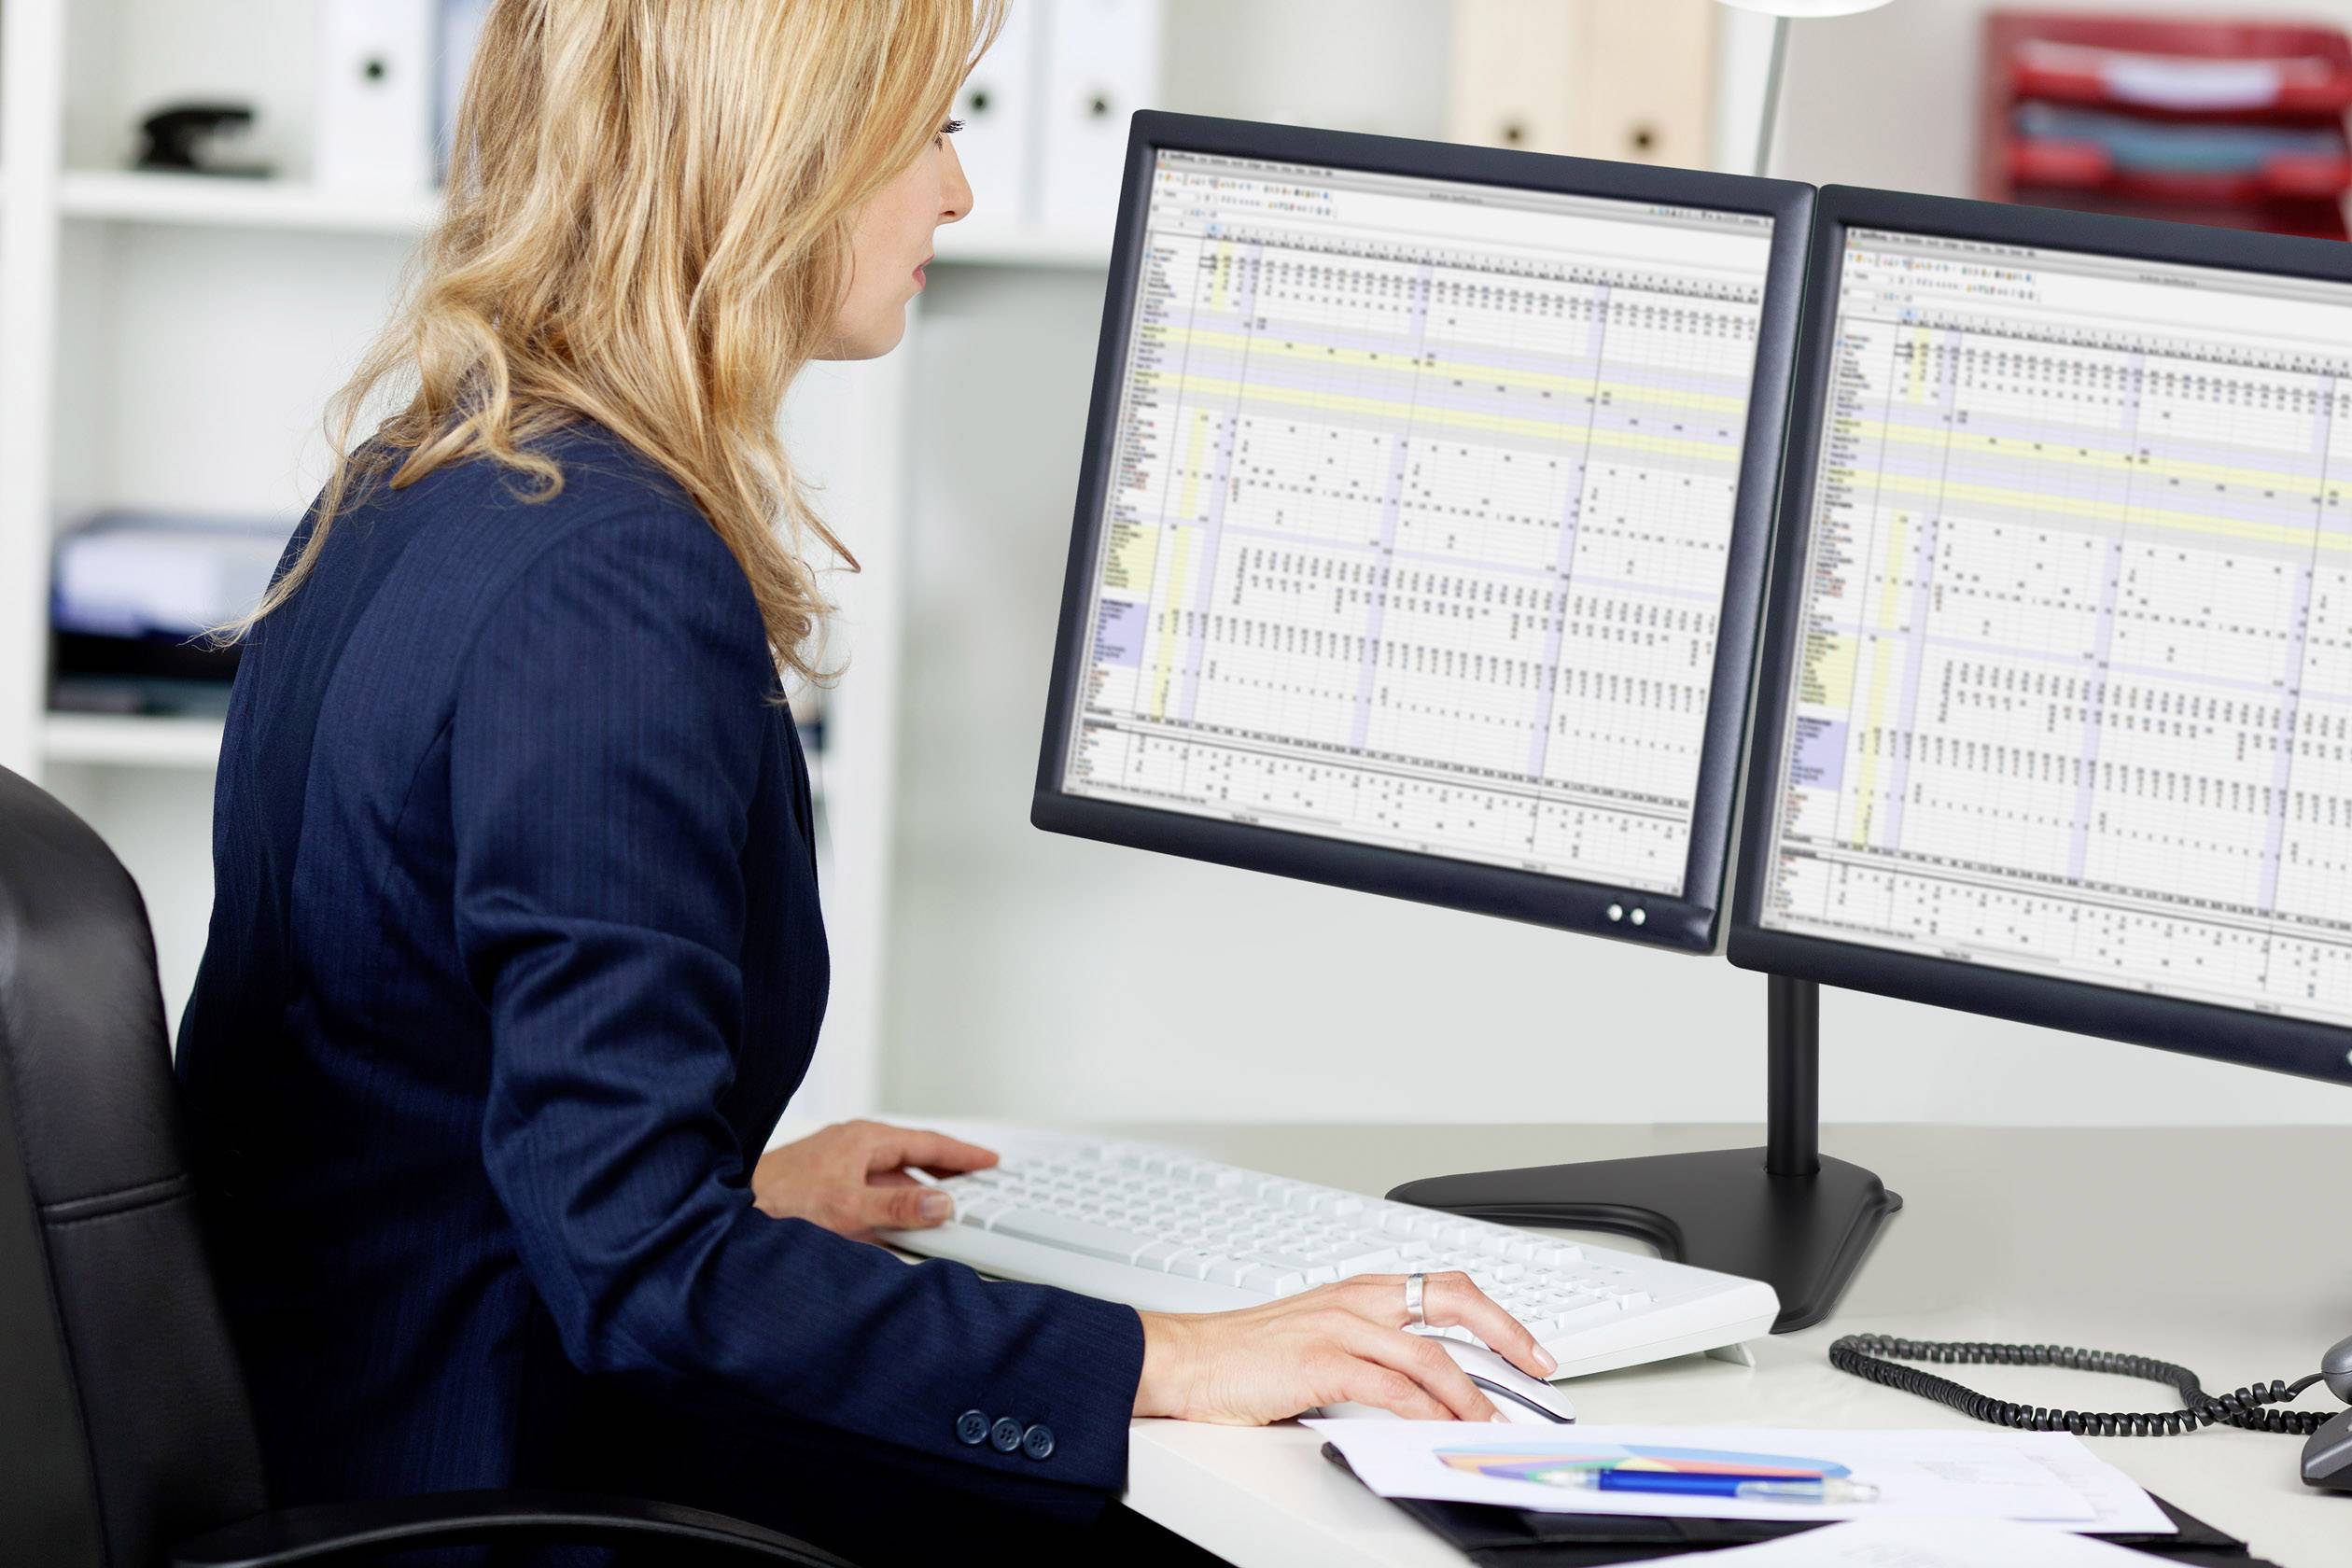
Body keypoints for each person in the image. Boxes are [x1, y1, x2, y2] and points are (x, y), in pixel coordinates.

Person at [175, 2, 1554, 1560]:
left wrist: (734, 1198)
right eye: (930, 132)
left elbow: (385, 1096)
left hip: (362, 1430)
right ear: (777, 164)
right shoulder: (610, 581)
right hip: (500, 1489)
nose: (956, 194)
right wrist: (1178, 1358)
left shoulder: (414, 483)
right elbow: (635, 1274)